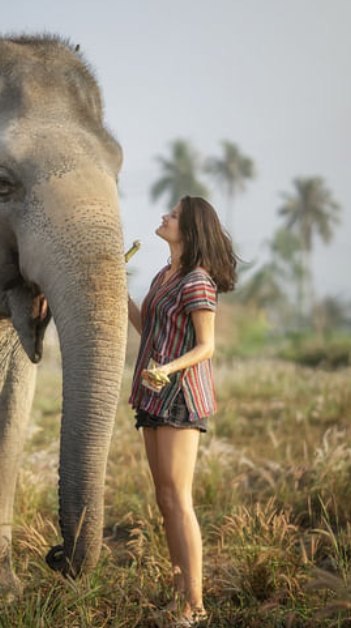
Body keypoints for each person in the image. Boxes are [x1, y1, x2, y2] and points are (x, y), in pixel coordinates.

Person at [127, 196, 237, 626]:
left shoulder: (197, 281)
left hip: (180, 397)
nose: (164, 217)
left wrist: (168, 369)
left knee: (178, 498)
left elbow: (206, 346)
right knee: (164, 498)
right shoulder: (163, 276)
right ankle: (181, 599)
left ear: (189, 231)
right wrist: (121, 292)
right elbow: (148, 328)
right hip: (152, 394)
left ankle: (196, 605)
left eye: (172, 216)